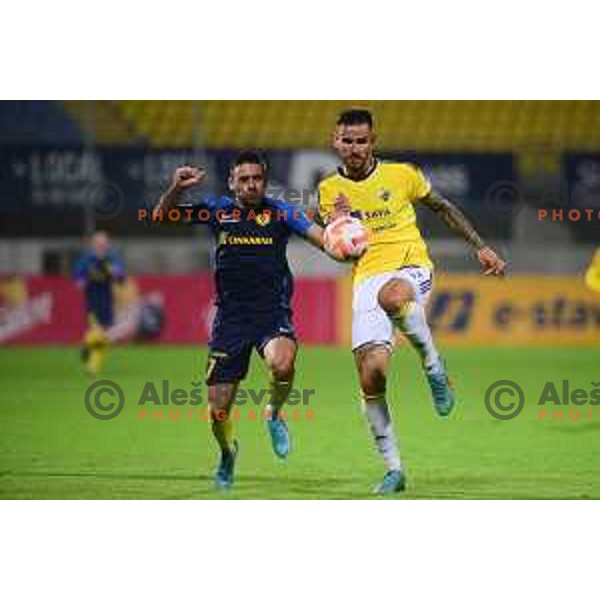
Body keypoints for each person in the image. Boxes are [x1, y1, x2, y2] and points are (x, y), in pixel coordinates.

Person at [318, 109, 506, 495]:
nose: (354, 148)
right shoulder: (327, 191)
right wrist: (334, 227)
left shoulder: (402, 174)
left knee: (393, 297)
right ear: (336, 142)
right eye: (347, 141)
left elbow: (442, 206)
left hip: (411, 267)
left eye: (361, 141)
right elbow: (342, 250)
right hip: (365, 280)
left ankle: (434, 366)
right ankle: (394, 470)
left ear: (373, 141)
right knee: (372, 377)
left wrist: (480, 247)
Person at [154, 151, 333, 489]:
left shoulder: (281, 211)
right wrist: (177, 188)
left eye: (258, 179)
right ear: (232, 182)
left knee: (282, 365)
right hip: (230, 321)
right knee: (217, 413)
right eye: (245, 179)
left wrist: (342, 238)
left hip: (271, 314)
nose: (252, 185)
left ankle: (274, 413)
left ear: (265, 181)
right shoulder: (217, 210)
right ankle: (227, 453)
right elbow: (161, 216)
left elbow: (321, 239)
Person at [73, 231, 126, 377]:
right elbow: (78, 279)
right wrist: (82, 281)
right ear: (93, 245)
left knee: (103, 336)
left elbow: (121, 278)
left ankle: (89, 352)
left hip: (108, 302)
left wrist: (116, 274)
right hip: (93, 303)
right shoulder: (86, 260)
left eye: (104, 244)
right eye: (98, 244)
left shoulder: (112, 259)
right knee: (99, 331)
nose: (101, 246)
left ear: (107, 245)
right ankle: (91, 362)